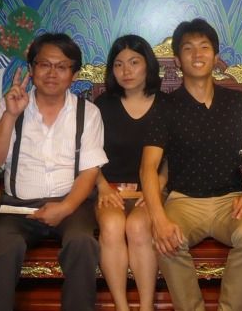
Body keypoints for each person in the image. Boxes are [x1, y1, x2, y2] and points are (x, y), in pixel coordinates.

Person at [140, 18, 242, 311]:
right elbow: (148, 167)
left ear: (216, 56)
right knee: (167, 241)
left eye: (204, 47)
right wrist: (159, 220)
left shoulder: (237, 102)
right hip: (183, 201)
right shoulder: (165, 106)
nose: (197, 54)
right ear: (177, 60)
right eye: (188, 48)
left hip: (231, 201)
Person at [0, 32, 108, 311]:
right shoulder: (8, 106)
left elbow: (89, 172)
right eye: (44, 64)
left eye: (62, 66)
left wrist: (64, 208)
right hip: (18, 207)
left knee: (82, 243)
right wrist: (11, 115)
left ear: (74, 75)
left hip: (72, 204)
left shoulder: (88, 113)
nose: (52, 73)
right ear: (31, 69)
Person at [94, 34, 167, 311]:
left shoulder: (166, 105)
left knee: (138, 226)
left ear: (148, 64)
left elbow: (175, 157)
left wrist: (157, 188)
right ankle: (122, 306)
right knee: (112, 226)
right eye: (119, 64)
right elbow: (88, 155)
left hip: (150, 192)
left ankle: (146, 306)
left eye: (134, 62)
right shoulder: (102, 106)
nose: (126, 70)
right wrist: (102, 186)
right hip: (110, 190)